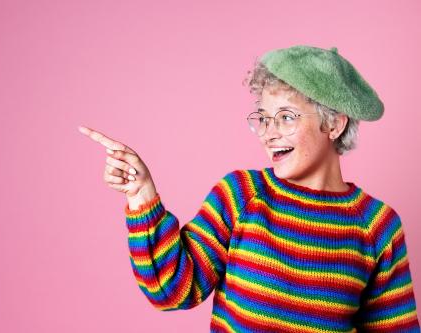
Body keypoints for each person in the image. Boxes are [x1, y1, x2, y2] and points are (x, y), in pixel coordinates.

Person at [79, 45, 420, 332]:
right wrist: (142, 197)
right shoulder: (242, 195)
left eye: (286, 117)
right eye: (263, 117)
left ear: (333, 123)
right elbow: (171, 290)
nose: (268, 133)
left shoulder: (377, 226)